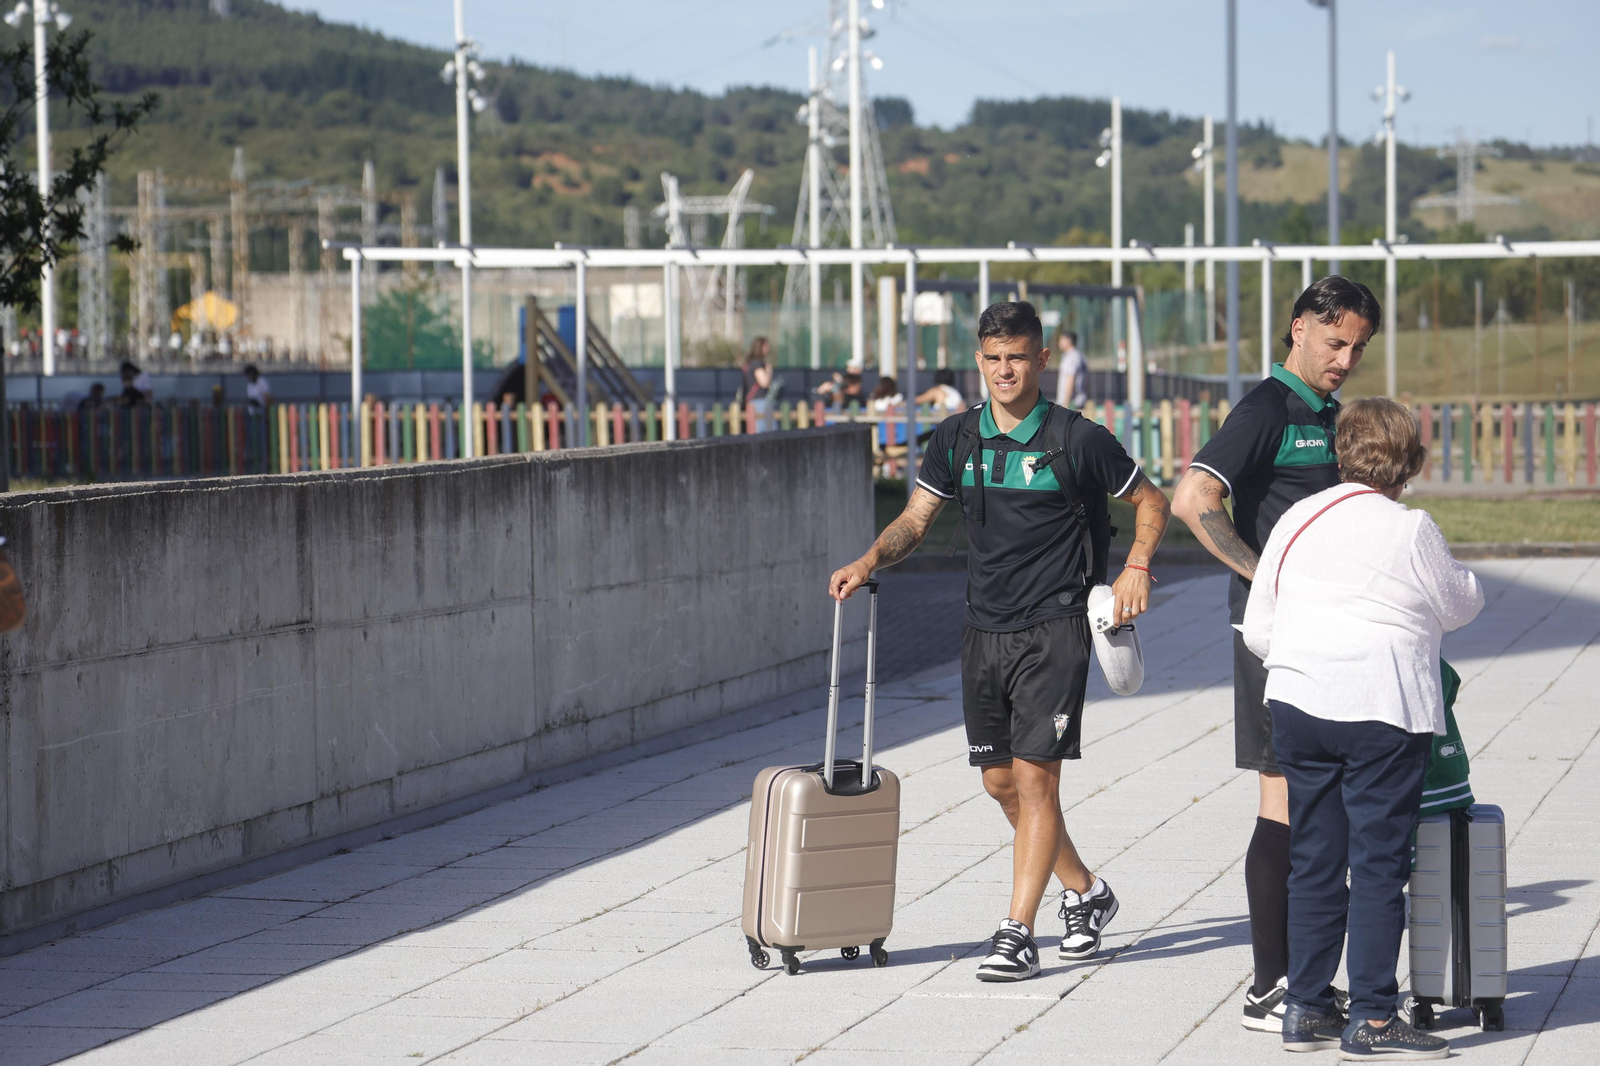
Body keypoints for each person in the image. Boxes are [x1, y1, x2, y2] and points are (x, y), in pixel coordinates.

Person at [829, 301, 1171, 982]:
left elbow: (1153, 502)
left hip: (1056, 627)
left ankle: (1018, 932)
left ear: (1042, 359)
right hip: (982, 629)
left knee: (1037, 782)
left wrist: (1137, 567)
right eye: (992, 358)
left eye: (1017, 356)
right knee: (999, 783)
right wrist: (868, 561)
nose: (1005, 370)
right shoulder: (956, 439)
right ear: (978, 361)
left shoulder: (1079, 439)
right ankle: (1088, 892)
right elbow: (916, 519)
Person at [1171, 275, 1380, 1032]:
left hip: (1321, 633)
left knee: (1314, 804)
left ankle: (1304, 983)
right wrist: (1267, 576)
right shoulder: (1265, 409)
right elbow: (1194, 496)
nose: (1346, 358)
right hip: (1269, 636)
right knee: (1283, 800)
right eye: (1335, 342)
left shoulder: (1326, 415)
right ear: (1298, 329)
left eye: (1358, 346)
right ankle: (1271, 987)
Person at [1244, 397, 1482, 1059]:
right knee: (1377, 866)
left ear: (1342, 452)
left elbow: (1261, 626)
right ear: (1409, 461)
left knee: (1315, 858)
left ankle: (1306, 1008)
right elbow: (1460, 603)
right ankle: (1374, 1016)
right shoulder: (1410, 529)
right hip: (1381, 706)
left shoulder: (1296, 517)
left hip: (1298, 702)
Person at [741, 337, 774, 431]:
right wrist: (768, 370)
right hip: (759, 402)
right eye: (766, 346)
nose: (768, 348)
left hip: (753, 401)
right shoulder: (757, 363)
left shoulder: (750, 362)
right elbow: (764, 382)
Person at [1053, 330, 1087, 409]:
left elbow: (1070, 379)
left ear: (1068, 340)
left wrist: (1066, 403)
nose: (1059, 343)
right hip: (1078, 401)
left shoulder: (1071, 358)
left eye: (1061, 340)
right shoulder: (1079, 356)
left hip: (1071, 403)